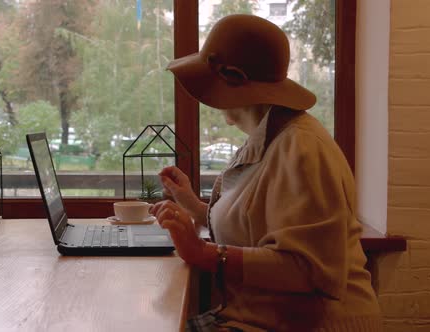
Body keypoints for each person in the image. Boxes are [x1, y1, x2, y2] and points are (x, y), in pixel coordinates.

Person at [149, 14, 382, 331]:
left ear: (233, 79)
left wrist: (201, 253)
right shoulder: (268, 137)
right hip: (260, 320)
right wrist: (191, 205)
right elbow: (254, 227)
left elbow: (308, 269)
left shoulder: (302, 148)